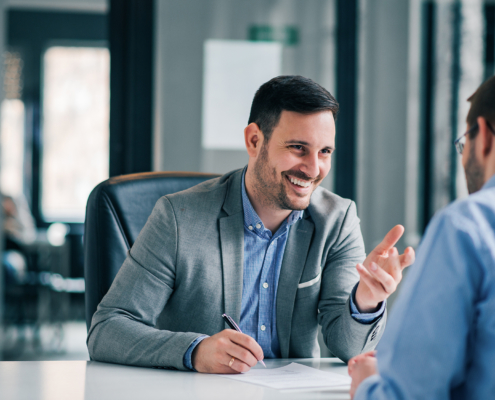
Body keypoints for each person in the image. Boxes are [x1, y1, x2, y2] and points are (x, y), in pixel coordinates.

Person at [87, 75, 414, 373]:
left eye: (325, 151)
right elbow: (107, 329)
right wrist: (195, 351)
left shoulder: (337, 221)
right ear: (255, 141)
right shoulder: (178, 217)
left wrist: (366, 300)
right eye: (298, 148)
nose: (313, 168)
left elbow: (348, 347)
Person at [348, 75, 495, 399]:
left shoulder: (467, 225)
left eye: (463, 142)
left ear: (483, 136)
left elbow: (407, 394)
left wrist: (369, 383)